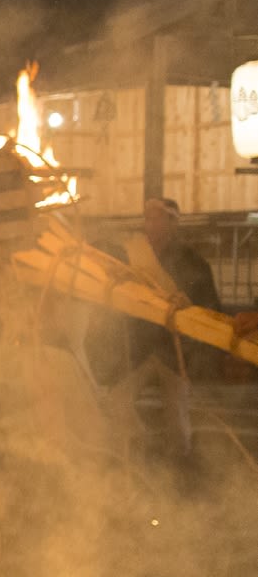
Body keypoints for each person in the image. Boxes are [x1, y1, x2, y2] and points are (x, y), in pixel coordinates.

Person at [102, 198, 220, 472]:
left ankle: (182, 466)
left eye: (157, 218)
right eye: (148, 218)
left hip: (174, 348)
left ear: (173, 223)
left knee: (176, 414)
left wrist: (188, 302)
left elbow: (210, 306)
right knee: (116, 400)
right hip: (142, 346)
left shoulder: (193, 262)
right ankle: (142, 446)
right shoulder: (134, 258)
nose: (151, 224)